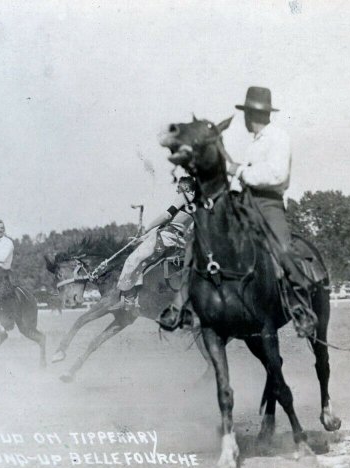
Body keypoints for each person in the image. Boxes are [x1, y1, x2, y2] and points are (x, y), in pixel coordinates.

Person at [158, 86, 317, 336]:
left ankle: (300, 306)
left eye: (245, 113)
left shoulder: (278, 137)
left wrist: (238, 170)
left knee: (283, 248)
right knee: (200, 240)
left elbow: (277, 175)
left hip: (268, 204)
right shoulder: (254, 143)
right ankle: (181, 305)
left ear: (249, 114)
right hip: (242, 200)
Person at [111, 177, 195, 310]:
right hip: (177, 242)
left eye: (178, 187)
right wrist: (143, 238)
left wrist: (147, 227)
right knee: (146, 265)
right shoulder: (197, 204)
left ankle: (129, 298)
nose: (176, 189)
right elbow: (176, 225)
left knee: (132, 260)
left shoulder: (183, 197)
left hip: (165, 238)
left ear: (185, 188)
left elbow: (167, 217)